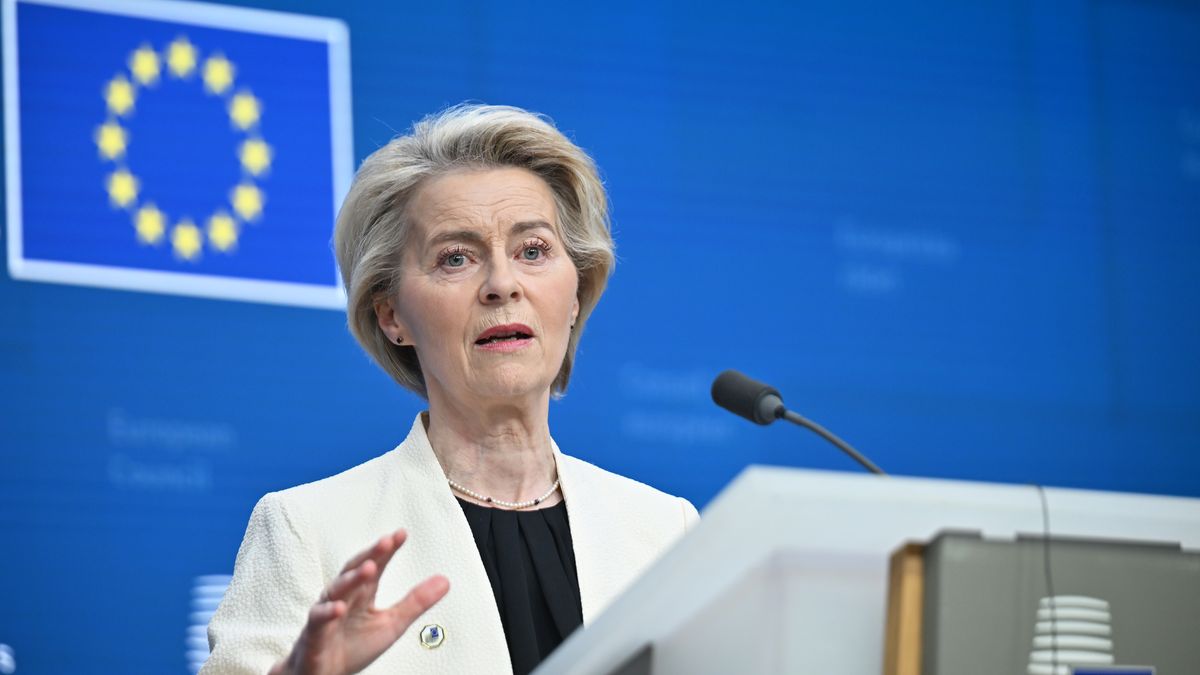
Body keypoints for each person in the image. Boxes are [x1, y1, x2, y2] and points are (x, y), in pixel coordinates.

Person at [202, 104, 700, 675]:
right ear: (392, 315)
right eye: (455, 258)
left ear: (577, 293)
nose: (502, 284)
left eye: (532, 250)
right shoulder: (307, 530)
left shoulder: (664, 531)